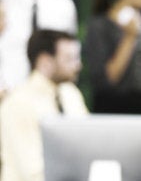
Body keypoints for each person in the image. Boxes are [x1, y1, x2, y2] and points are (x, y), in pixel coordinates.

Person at [0, 30, 88, 181]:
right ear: (45, 62)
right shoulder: (17, 103)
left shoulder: (71, 94)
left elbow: (91, 143)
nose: (78, 65)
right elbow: (31, 172)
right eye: (69, 59)